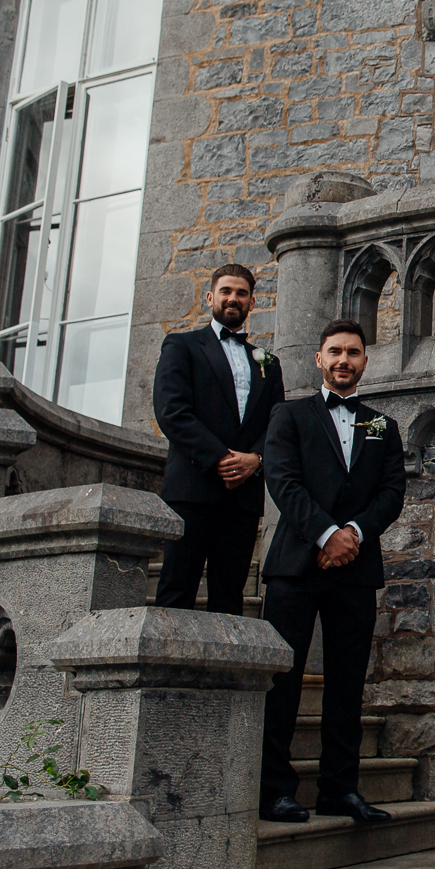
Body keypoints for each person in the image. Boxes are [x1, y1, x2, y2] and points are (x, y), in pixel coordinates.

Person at [257, 319, 406, 825]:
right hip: (296, 566)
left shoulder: (382, 425)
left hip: (356, 569)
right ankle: (274, 789)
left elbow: (392, 494)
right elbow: (283, 481)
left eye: (354, 353)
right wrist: (326, 534)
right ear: (319, 359)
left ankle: (339, 789)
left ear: (366, 361)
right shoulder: (288, 415)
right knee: (283, 680)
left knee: (347, 684)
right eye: (335, 352)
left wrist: (354, 535)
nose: (344, 360)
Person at [152, 263, 287, 615]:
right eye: (226, 291)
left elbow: (277, 424)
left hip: (242, 497)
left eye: (241, 293)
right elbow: (172, 412)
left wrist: (255, 459)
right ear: (210, 297)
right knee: (176, 592)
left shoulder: (268, 363)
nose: (233, 298)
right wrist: (221, 458)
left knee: (229, 599)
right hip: (192, 490)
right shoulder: (181, 346)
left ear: (252, 303)